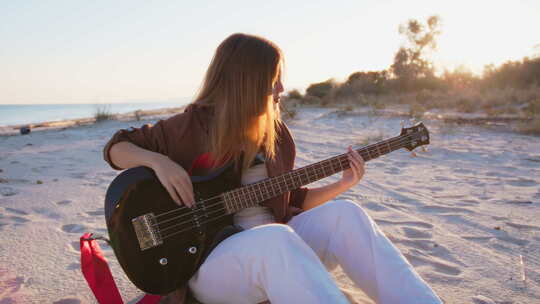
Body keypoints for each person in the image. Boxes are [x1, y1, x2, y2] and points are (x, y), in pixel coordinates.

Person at [103, 33, 442, 304]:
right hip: (207, 269)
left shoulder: (276, 136)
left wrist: (343, 184)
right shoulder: (190, 126)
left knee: (345, 214)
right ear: (245, 82)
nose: (281, 89)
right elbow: (116, 147)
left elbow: (290, 200)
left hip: (281, 258)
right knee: (275, 239)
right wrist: (157, 161)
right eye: (274, 79)